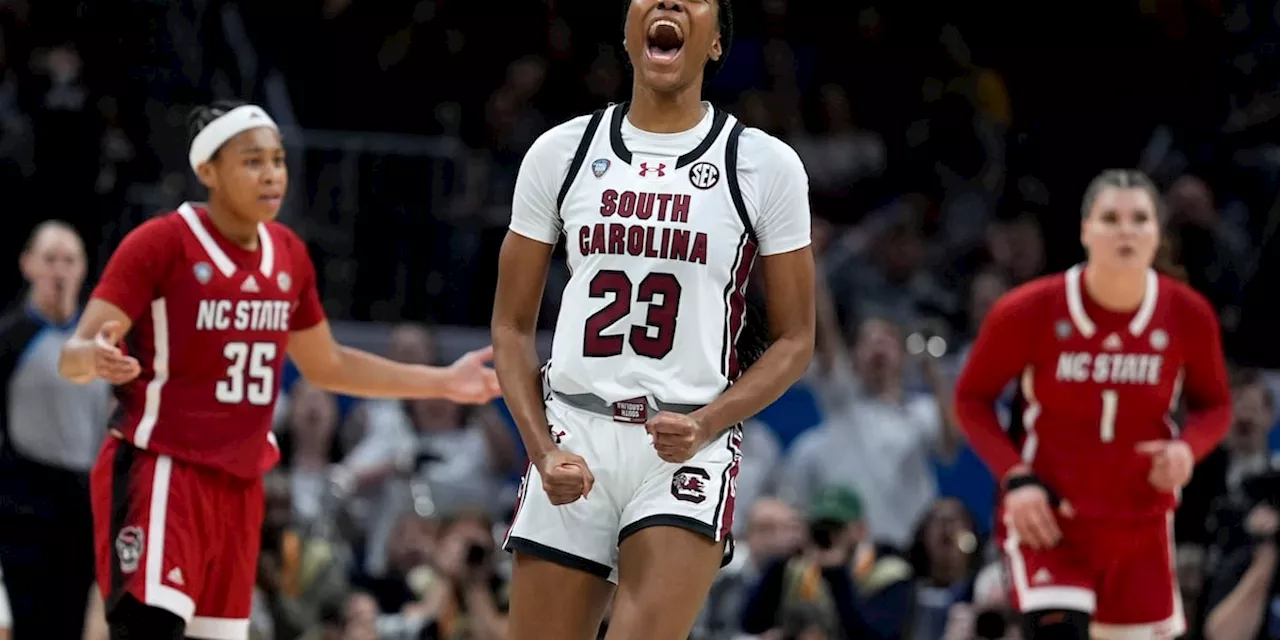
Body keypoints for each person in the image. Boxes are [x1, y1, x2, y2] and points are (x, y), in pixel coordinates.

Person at [58, 100, 502, 640]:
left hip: (242, 487)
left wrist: (442, 381)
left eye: (278, 160)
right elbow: (76, 347)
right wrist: (90, 358)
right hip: (162, 471)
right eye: (252, 161)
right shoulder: (160, 243)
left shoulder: (288, 254)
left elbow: (329, 363)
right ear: (208, 171)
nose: (272, 174)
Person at [491, 1, 815, 638]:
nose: (667, 2)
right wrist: (541, 448)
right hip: (574, 431)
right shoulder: (562, 151)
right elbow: (509, 328)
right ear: (625, 31)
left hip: (685, 441)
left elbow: (797, 340)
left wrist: (704, 424)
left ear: (716, 42)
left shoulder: (764, 165)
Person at [954, 169, 1232, 640]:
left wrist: (1188, 449)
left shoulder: (1188, 314)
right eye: (1110, 218)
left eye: (1139, 219)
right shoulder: (1029, 309)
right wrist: (1016, 478)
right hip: (1051, 523)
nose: (1126, 230)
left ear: (1157, 233)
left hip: (1139, 526)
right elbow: (971, 399)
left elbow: (1215, 406)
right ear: (1085, 230)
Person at [0, 221, 108, 640]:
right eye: (49, 260)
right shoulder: (11, 339)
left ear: (83, 269)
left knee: (71, 623)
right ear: (28, 265)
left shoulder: (102, 343)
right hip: (23, 510)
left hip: (82, 510)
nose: (59, 271)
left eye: (69, 260)